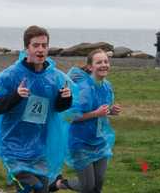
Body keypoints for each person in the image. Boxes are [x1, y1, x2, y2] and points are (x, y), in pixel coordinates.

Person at [0, 25, 73, 193]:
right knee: (34, 186)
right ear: (27, 48)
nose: (41, 50)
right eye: (36, 45)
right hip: (13, 146)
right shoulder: (10, 76)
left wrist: (66, 98)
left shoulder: (53, 77)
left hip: (38, 146)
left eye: (44, 45)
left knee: (41, 189)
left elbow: (57, 108)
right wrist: (16, 95)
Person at [52, 49, 121, 193]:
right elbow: (69, 116)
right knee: (87, 186)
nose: (104, 65)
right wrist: (96, 113)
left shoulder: (107, 86)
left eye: (106, 62)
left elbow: (102, 111)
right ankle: (58, 183)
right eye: (99, 62)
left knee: (98, 184)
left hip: (99, 140)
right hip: (80, 143)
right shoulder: (83, 89)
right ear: (90, 67)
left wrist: (110, 111)